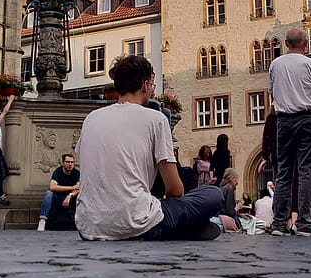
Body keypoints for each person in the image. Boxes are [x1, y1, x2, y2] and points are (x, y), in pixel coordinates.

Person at [75, 54, 222, 240]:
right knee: (214, 194)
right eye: (151, 86)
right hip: (135, 220)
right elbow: (176, 190)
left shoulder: (91, 118)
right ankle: (180, 227)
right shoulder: (156, 119)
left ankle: (181, 226)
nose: (151, 91)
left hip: (88, 225)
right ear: (145, 85)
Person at [268, 28, 311, 236]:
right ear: (306, 44)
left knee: (283, 172)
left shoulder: (275, 64)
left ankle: (278, 223)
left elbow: (273, 93)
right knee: (306, 172)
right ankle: (304, 223)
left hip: (284, 121)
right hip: (307, 119)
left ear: (286, 43)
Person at [43, 153, 80, 231]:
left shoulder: (76, 173)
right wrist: (71, 188)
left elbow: (78, 188)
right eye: (67, 162)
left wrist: (69, 195)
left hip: (71, 199)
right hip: (58, 197)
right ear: (63, 163)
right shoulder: (58, 171)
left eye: (72, 162)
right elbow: (52, 187)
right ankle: (42, 220)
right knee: (48, 193)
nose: (70, 164)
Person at [218, 167, 243, 232]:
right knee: (253, 221)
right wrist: (238, 207)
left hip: (219, 218)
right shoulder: (229, 190)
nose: (237, 182)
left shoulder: (220, 190)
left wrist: (240, 215)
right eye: (236, 179)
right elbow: (230, 212)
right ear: (232, 179)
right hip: (225, 220)